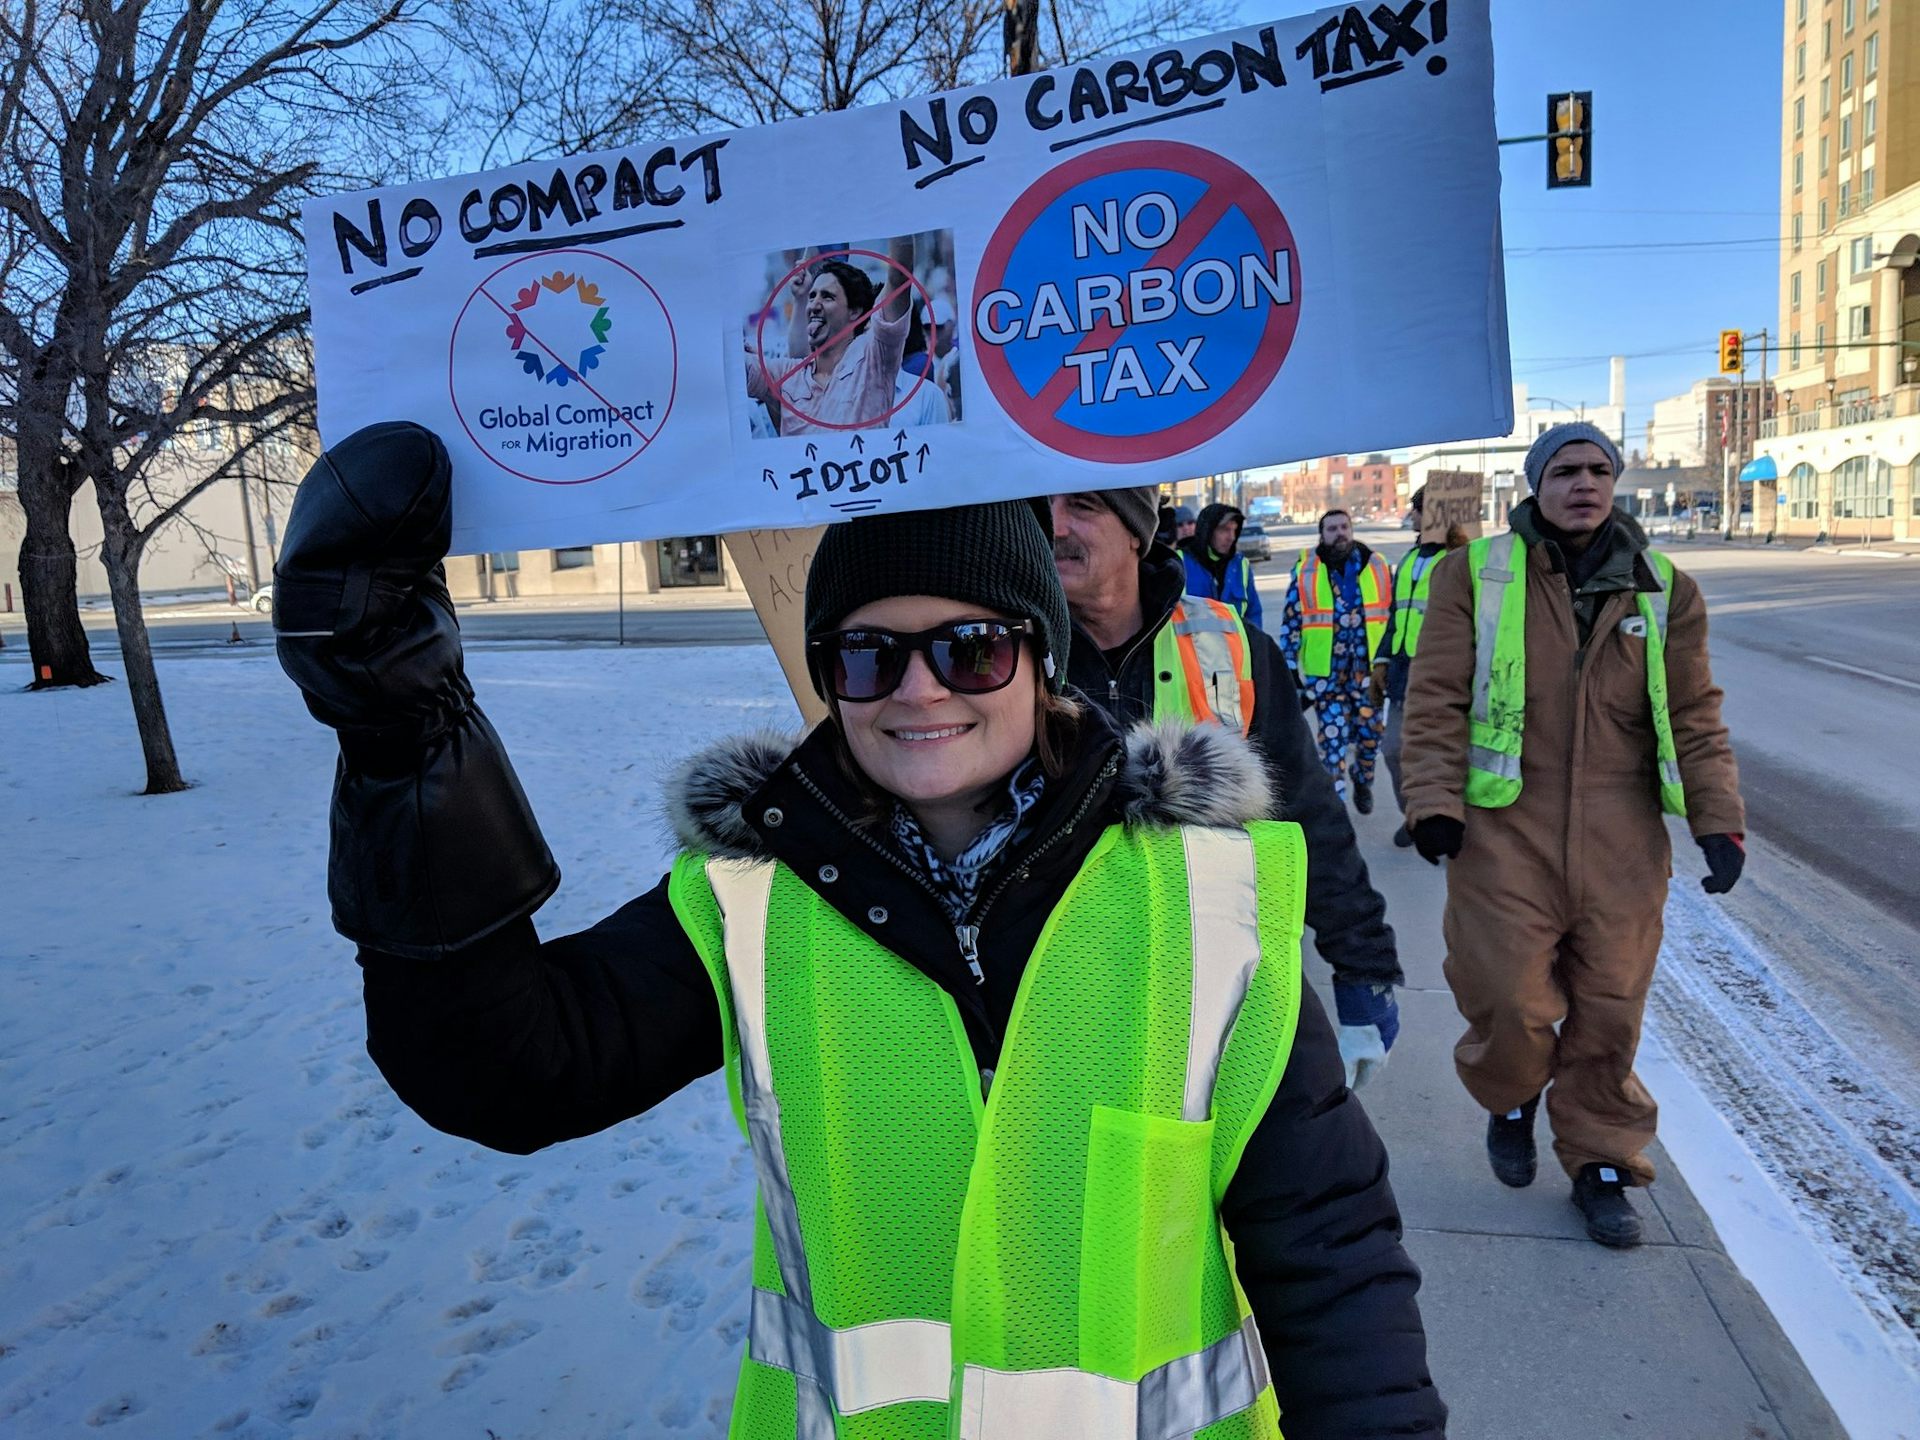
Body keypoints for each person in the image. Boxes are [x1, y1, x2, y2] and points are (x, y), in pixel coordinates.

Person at [273, 424, 1446, 1439]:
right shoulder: (752, 899)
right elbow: (502, 1071)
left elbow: (1329, 1254)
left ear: (1042, 661)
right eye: (868, 654)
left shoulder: (1204, 901)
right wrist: (405, 741)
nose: (919, 690)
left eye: (972, 646)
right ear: (828, 674)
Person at [1399, 422, 1746, 1249]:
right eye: (1564, 470)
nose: (1583, 483)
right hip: (1504, 830)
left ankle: (1600, 1162)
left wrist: (1718, 818)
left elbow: (1696, 713)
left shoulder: (1667, 588)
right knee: (1511, 997)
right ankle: (1514, 1096)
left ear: (1616, 481)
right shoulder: (1472, 573)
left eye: (1598, 469)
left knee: (1610, 1011)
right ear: (1535, 484)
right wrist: (1433, 801)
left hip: (1622, 837)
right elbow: (1436, 696)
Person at [1052, 487, 1405, 1091]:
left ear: (1136, 531)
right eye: (1040, 508)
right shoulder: (997, 651)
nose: (1053, 525)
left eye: (1082, 506)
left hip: (1219, 990)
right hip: (1058, 999)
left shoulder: (1231, 646)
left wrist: (1362, 961)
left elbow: (1309, 814)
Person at [1371, 489, 1470, 847]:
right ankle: (1415, 813)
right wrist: (1381, 659)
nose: (1412, 517)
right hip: (1402, 673)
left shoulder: (1462, 558)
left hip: (1446, 672)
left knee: (1453, 753)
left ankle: (1448, 817)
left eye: (1418, 510)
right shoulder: (1411, 559)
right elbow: (1397, 615)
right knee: (1394, 750)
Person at [1280, 510, 1391, 811]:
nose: (1339, 533)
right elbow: (1292, 619)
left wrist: (1391, 659)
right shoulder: (1307, 570)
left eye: (1344, 526)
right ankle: (1337, 811)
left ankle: (1363, 778)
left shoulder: (1376, 565)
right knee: (1332, 748)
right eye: (1332, 528)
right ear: (1322, 534)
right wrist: (1289, 667)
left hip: (1367, 677)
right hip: (1326, 678)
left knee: (1371, 740)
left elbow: (1391, 616)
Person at [746, 237, 915, 436]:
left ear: (854, 311)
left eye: (827, 296)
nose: (814, 305)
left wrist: (895, 213)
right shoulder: (786, 373)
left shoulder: (873, 360)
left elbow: (899, 276)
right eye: (812, 296)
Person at [1179, 502, 1262, 628]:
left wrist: (1256, 645)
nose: (1231, 537)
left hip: (1235, 647)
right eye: (1225, 530)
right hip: (1195, 646)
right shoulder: (1180, 561)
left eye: (1234, 530)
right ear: (1208, 531)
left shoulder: (1241, 565)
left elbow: (1253, 613)